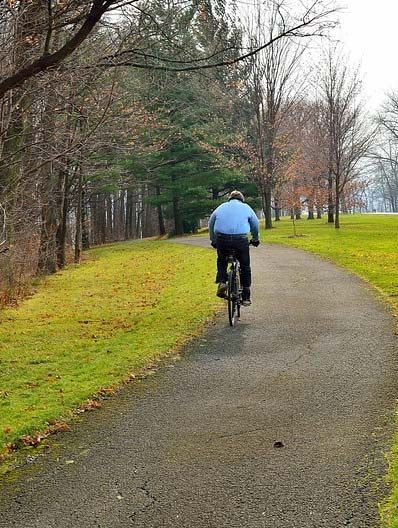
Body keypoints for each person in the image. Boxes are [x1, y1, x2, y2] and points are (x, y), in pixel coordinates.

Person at [208, 190, 260, 306]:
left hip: (222, 239)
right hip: (240, 240)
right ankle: (246, 296)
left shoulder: (221, 207)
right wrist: (255, 239)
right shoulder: (246, 207)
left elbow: (211, 223)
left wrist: (213, 240)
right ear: (242, 199)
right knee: (245, 266)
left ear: (229, 199)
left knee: (222, 260)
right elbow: (255, 224)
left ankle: (222, 281)